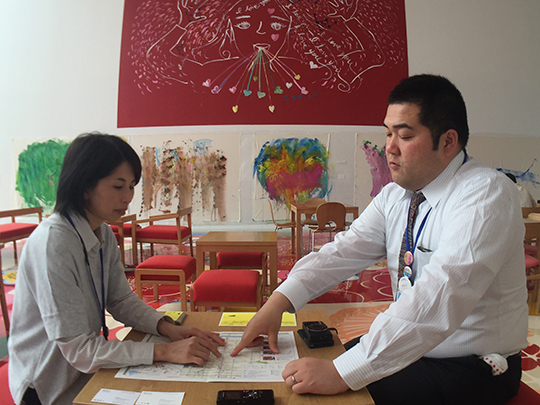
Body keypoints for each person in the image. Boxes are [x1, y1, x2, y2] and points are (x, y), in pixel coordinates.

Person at [232, 74, 529, 404]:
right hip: (414, 347)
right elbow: (343, 251)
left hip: (470, 366)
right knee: (302, 373)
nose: (389, 148)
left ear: (447, 142)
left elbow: (441, 292)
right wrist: (280, 301)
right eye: (387, 133)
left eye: (404, 135)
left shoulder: (486, 193)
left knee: (328, 394)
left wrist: (341, 373)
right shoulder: (396, 195)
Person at [8, 133, 226, 405]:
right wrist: (165, 352)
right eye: (118, 186)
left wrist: (167, 328)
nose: (127, 198)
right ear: (84, 186)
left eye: (132, 186)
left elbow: (120, 300)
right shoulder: (53, 243)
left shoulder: (102, 235)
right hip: (49, 386)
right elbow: (80, 351)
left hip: (87, 370)